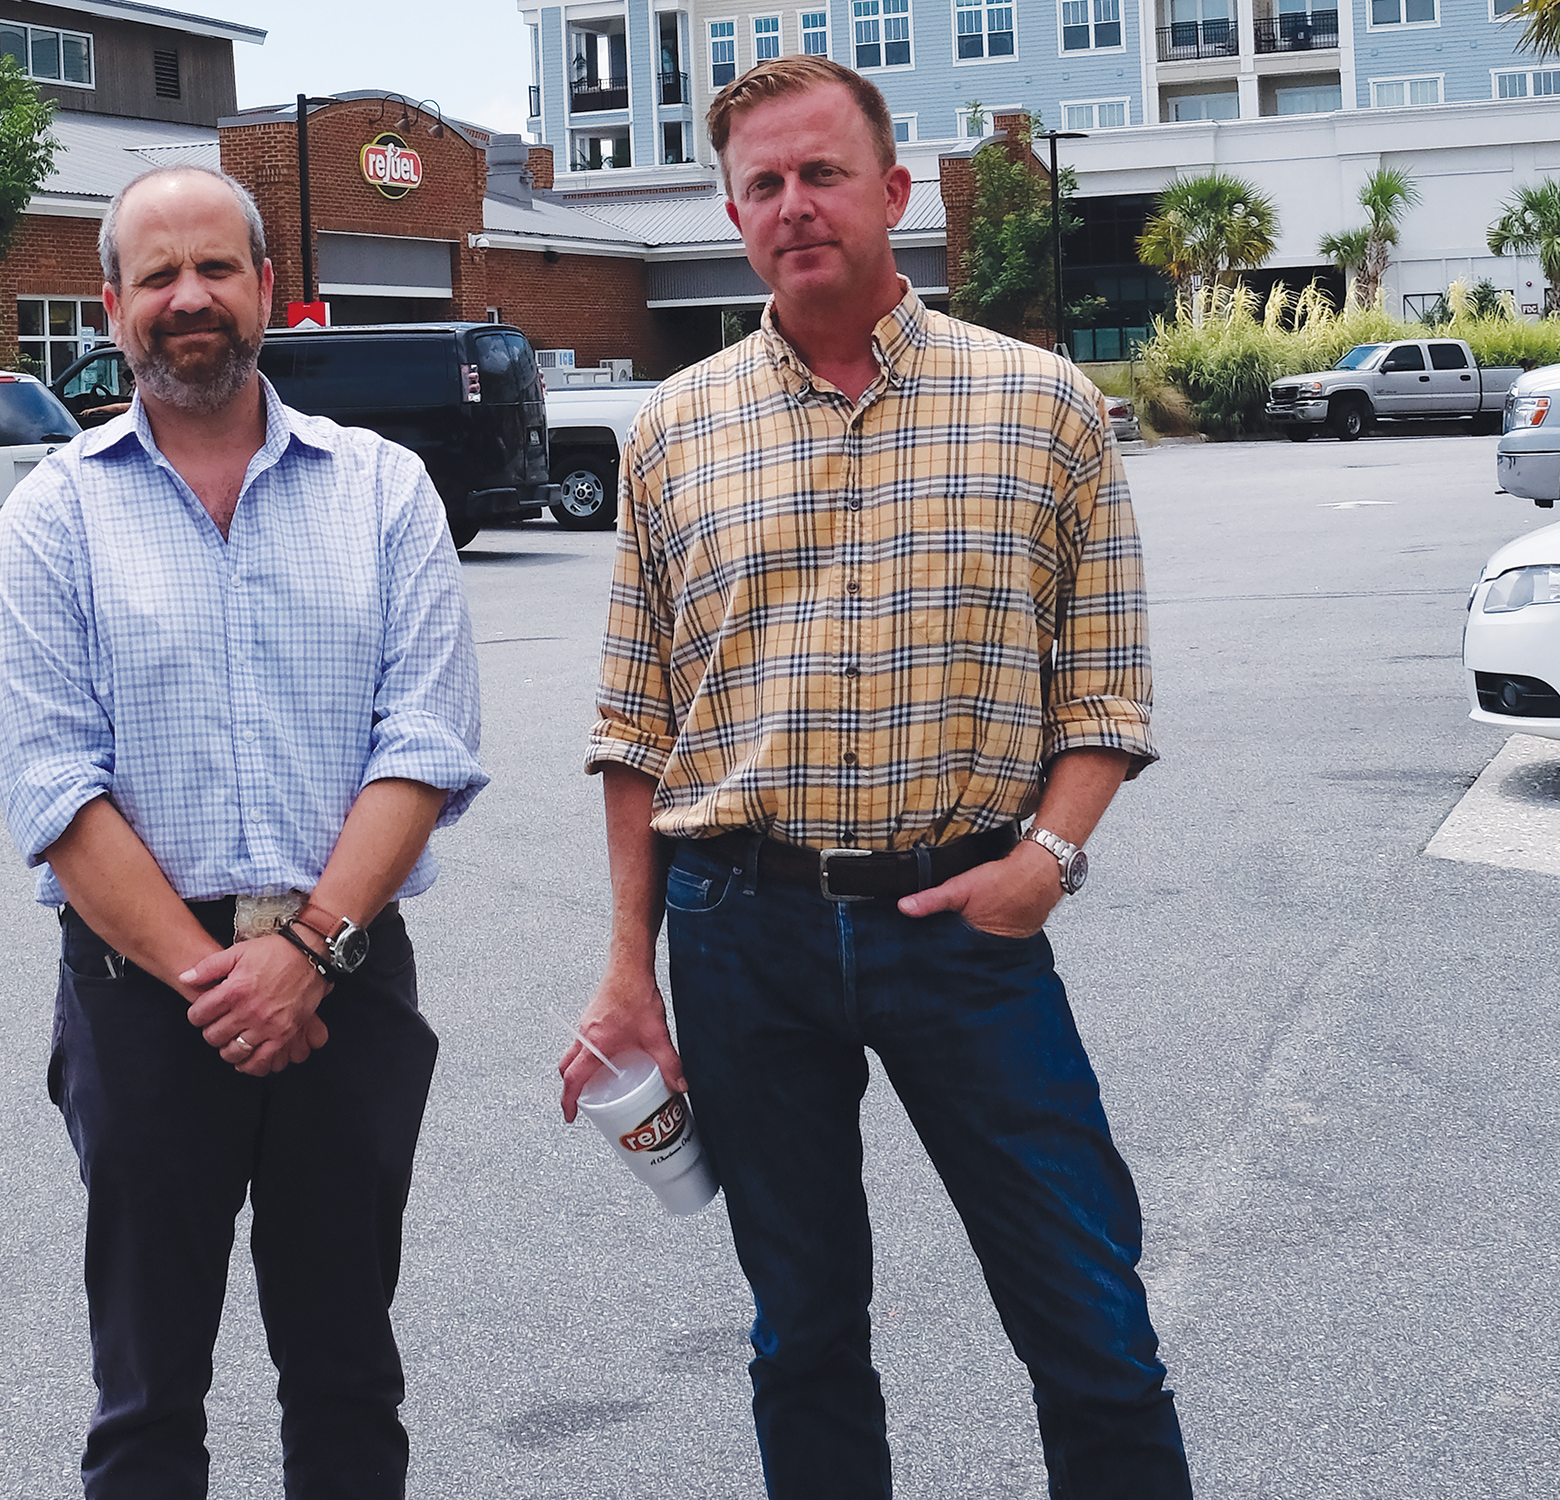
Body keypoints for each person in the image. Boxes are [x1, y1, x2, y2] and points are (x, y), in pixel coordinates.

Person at [556, 55, 1192, 1498]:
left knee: (1092, 1325)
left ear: (894, 191)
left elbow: (1106, 687)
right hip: (743, 932)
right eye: (764, 183)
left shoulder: (1043, 408)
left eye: (823, 173)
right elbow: (634, 727)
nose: (795, 204)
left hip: (965, 927)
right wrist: (627, 969)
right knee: (803, 1336)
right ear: (733, 215)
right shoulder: (672, 432)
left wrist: (1047, 863)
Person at [0, 164, 486, 1500]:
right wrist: (226, 984)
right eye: (157, 275)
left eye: (215, 268)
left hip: (347, 982)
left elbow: (422, 748)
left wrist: (305, 956)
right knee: (147, 1398)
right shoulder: (54, 516)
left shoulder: (384, 492)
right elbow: (53, 787)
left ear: (266, 286)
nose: (187, 297)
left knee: (347, 1373)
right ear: (112, 306)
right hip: (143, 996)